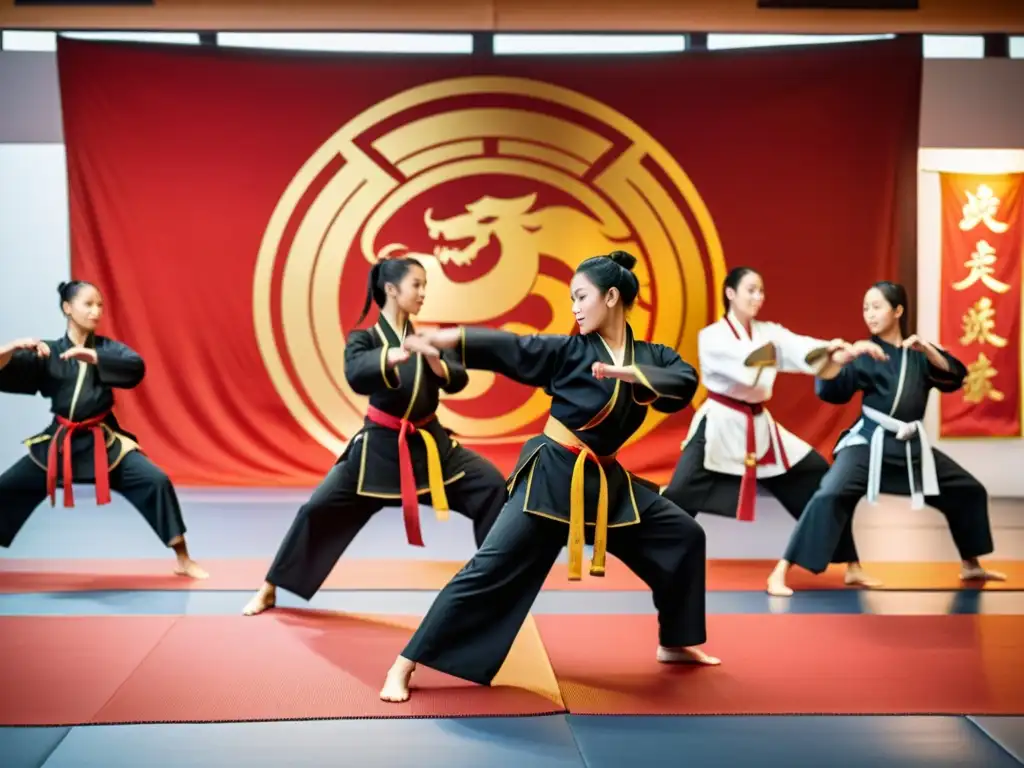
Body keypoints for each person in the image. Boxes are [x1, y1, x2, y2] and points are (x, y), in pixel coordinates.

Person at [379, 250, 719, 704]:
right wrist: (445, 339)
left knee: (683, 534)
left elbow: (683, 383)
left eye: (582, 297)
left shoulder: (652, 356)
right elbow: (512, 348)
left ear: (612, 297)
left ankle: (675, 640)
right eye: (572, 299)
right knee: (489, 569)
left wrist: (628, 373)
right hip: (551, 476)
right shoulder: (567, 352)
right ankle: (404, 663)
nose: (575, 308)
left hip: (606, 482)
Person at [243, 257, 507, 616]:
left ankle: (491, 589)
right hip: (378, 451)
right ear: (392, 290)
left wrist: (432, 360)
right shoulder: (364, 339)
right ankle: (270, 587)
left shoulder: (427, 338)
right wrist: (393, 356)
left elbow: (458, 379)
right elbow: (356, 373)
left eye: (425, 285)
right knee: (317, 510)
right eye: (417, 285)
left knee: (491, 486)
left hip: (430, 449)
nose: (423, 293)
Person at [767, 281, 1006, 595]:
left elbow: (955, 377)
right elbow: (831, 391)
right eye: (866, 307)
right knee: (830, 495)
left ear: (898, 311)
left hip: (910, 448)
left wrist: (929, 349)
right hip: (868, 443)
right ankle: (781, 571)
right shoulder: (867, 354)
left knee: (966, 489)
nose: (869, 314)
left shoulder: (919, 356)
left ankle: (970, 564)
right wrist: (842, 359)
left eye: (876, 306)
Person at [662, 266, 886, 589]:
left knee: (819, 477)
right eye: (750, 290)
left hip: (759, 427)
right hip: (720, 426)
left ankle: (851, 562)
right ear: (730, 293)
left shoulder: (767, 332)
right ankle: (657, 556)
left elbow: (799, 347)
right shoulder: (712, 337)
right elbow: (750, 362)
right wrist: (798, 350)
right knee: (680, 495)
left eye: (761, 291)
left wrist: (841, 351)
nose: (758, 297)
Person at [0, 280, 206, 577]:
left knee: (155, 481)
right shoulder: (49, 351)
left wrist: (94, 357)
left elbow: (136, 367)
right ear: (67, 308)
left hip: (104, 443)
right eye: (88, 304)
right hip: (60, 443)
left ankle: (183, 558)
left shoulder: (108, 348)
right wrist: (12, 348)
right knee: (6, 488)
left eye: (100, 305)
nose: (96, 311)